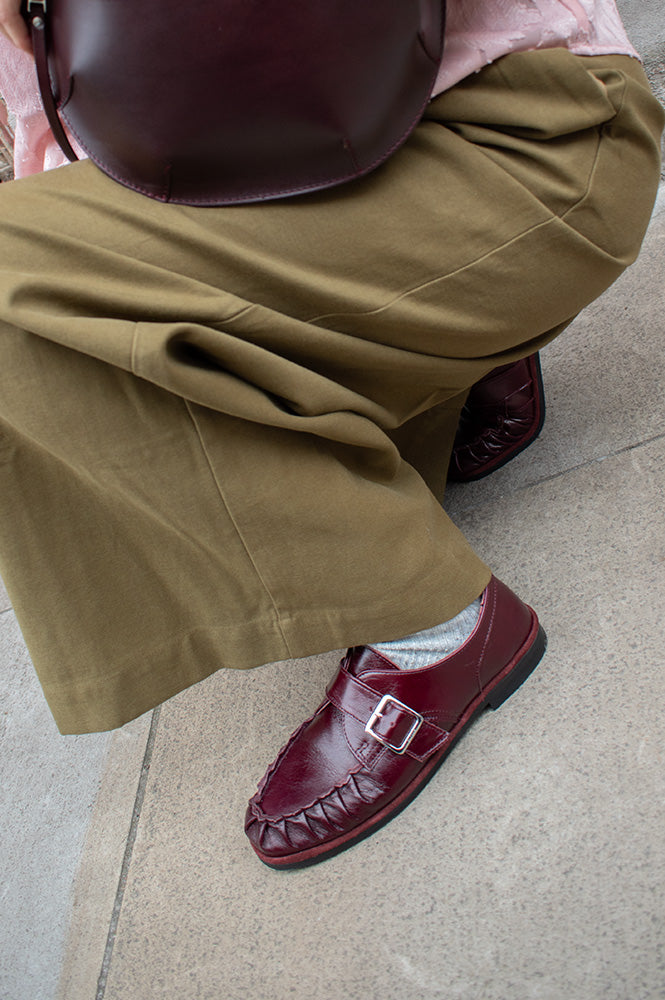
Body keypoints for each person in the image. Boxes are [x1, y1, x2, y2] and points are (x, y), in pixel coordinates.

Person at [0, 0, 662, 869]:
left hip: (512, 139)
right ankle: (443, 360)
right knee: (45, 294)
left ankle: (438, 632)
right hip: (312, 181)